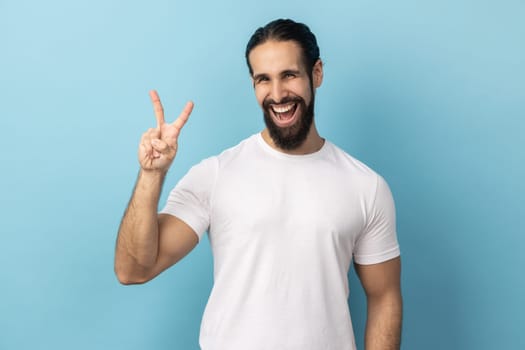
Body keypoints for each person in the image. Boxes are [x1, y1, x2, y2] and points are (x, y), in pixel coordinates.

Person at [115, 18, 402, 350]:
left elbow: (384, 297)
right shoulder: (217, 174)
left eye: (289, 75)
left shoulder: (365, 186)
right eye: (263, 79)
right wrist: (152, 175)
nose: (277, 94)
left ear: (317, 73)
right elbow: (133, 270)